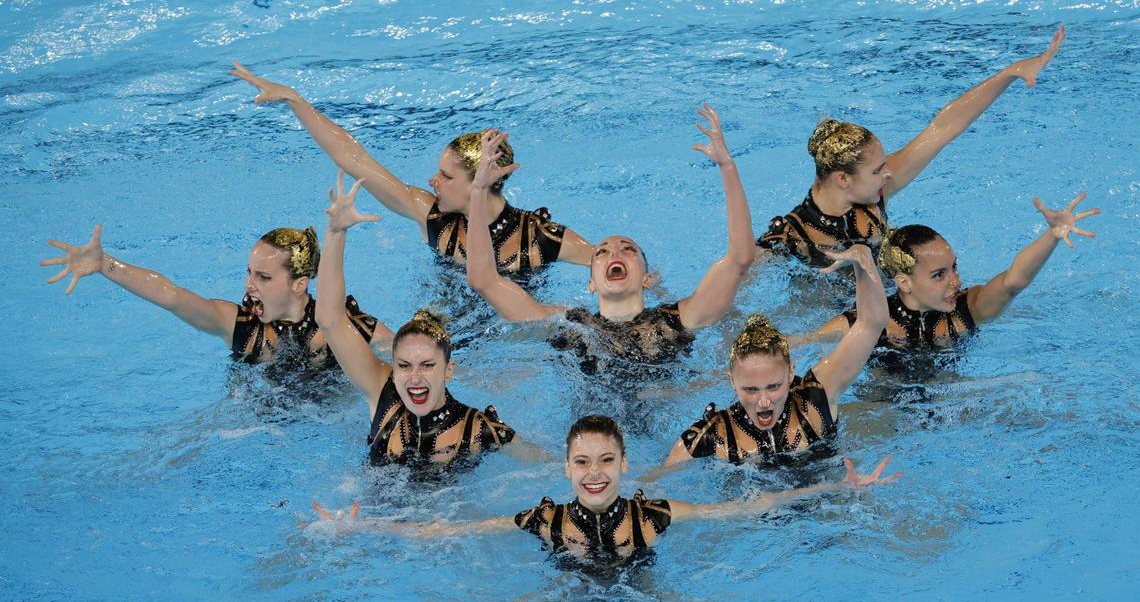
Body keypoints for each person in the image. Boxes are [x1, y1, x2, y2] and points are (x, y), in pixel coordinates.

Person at [312, 414, 898, 561]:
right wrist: (361, 525)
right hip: (567, 595)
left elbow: (744, 508)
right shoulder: (542, 520)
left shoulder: (656, 512)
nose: (595, 472)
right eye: (584, 462)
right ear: (566, 469)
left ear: (624, 465)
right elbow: (447, 529)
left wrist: (831, 489)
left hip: (638, 588)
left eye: (606, 461)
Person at [230, 62, 593, 273]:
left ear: (481, 181)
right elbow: (354, 159)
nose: (432, 181)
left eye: (447, 177)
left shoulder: (540, 237)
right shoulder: (429, 214)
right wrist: (295, 99)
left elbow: (617, 269)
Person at [464, 105, 756, 365]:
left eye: (628, 249)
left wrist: (727, 166)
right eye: (601, 252)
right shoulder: (571, 326)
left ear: (647, 278)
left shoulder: (678, 321)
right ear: (591, 283)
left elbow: (740, 259)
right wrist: (478, 192)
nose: (614, 253)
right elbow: (484, 280)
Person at [757, 26, 1065, 269]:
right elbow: (736, 274)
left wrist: (1011, 72)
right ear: (842, 179)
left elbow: (944, 127)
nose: (888, 174)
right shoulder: (790, 235)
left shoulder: (875, 193)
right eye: (878, 170)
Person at [316, 171, 521, 466]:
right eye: (403, 366)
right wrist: (335, 233)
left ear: (448, 371)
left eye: (427, 365)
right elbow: (329, 319)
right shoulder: (381, 394)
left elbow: (550, 464)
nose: (414, 378)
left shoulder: (477, 429)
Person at [652, 244, 886, 471]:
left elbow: (871, 324)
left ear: (791, 372)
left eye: (774, 386)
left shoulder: (816, 399)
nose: (763, 401)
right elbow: (653, 489)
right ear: (732, 381)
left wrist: (863, 263)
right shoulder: (714, 437)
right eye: (751, 390)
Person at [40, 223, 390, 370]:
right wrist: (105, 265)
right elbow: (170, 296)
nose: (250, 285)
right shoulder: (238, 326)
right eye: (249, 272)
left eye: (264, 277)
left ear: (299, 284)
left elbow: (406, 357)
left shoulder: (344, 327)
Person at [799, 193, 1100, 351]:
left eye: (953, 267)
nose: (955, 281)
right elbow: (804, 341)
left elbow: (1012, 282)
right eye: (938, 275)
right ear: (903, 281)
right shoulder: (871, 320)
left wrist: (1052, 236)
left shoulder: (965, 309)